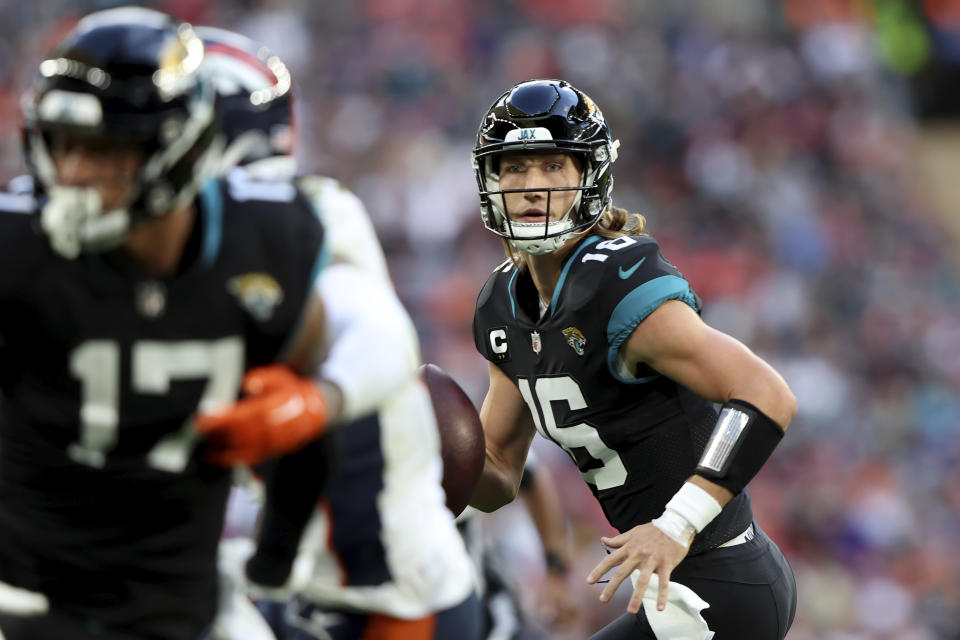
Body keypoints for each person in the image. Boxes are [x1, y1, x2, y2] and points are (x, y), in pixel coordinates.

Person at [0, 8, 411, 640]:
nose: (76, 173)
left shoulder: (271, 239)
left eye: (107, 151)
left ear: (184, 145)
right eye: (64, 144)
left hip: (175, 606)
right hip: (22, 600)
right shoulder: (18, 242)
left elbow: (355, 367)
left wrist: (309, 413)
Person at [468, 79, 798, 639]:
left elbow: (767, 394)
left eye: (553, 166)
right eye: (515, 168)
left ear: (588, 177)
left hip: (720, 577)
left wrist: (676, 524)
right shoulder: (503, 306)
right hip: (678, 587)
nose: (531, 186)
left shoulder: (617, 286)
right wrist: (426, 454)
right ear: (490, 180)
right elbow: (497, 469)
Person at [197, 27, 480, 640]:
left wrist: (312, 401)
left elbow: (379, 335)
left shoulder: (311, 214)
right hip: (285, 571)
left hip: (385, 594)